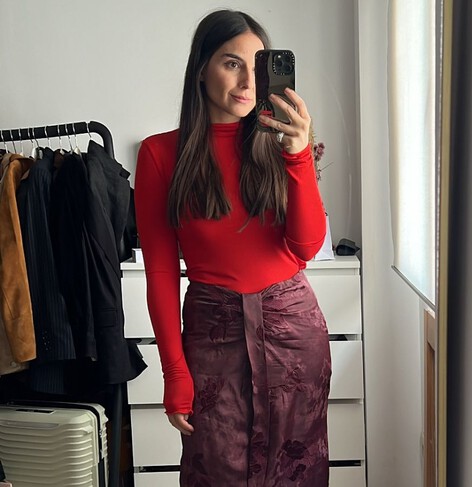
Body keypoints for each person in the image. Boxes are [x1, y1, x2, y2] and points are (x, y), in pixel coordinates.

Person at [134, 9, 331, 486]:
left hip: (293, 331)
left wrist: (298, 155)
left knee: (295, 474)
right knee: (215, 471)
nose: (247, 82)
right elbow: (160, 272)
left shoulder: (282, 145)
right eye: (231, 63)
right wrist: (174, 372)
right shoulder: (160, 155)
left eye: (256, 66)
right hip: (212, 335)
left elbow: (306, 246)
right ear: (201, 68)